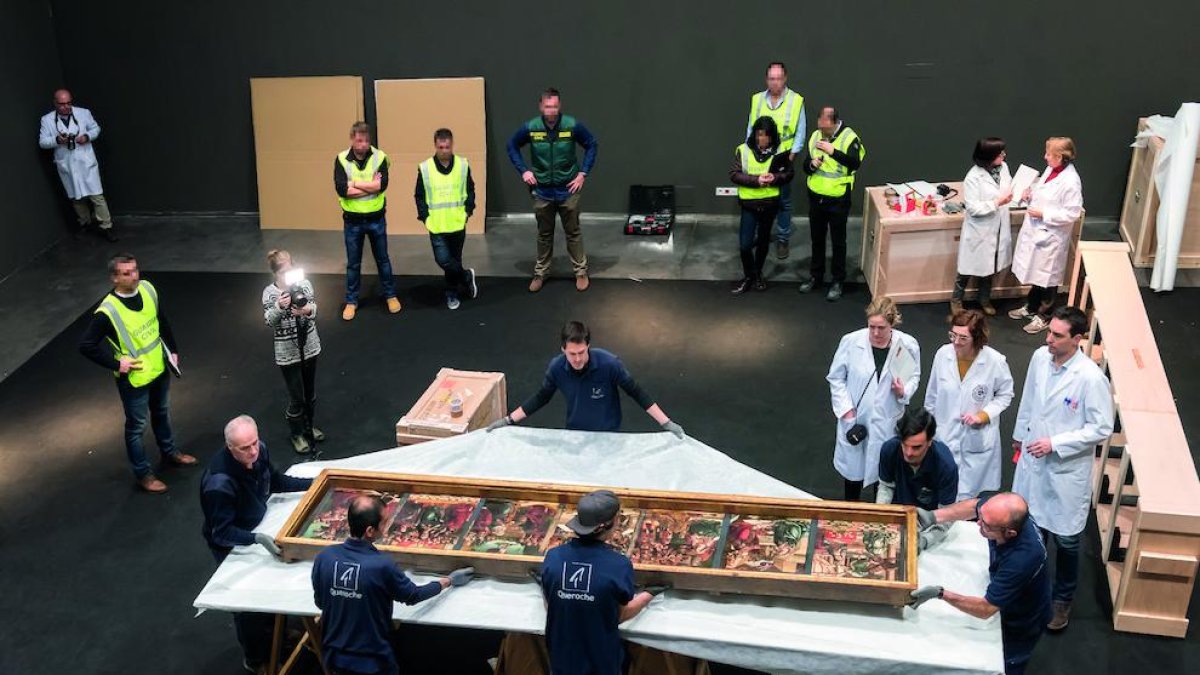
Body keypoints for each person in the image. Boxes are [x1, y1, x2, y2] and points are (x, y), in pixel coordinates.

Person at [1010, 305, 1113, 631]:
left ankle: (1062, 600)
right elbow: (1029, 399)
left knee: (1067, 542)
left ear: (1077, 339)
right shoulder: (1040, 358)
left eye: (1057, 335)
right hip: (1032, 460)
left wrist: (1055, 443)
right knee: (1032, 533)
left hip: (1065, 470)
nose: (1048, 338)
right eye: (1049, 331)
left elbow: (1101, 428)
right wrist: (1018, 434)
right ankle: (1030, 590)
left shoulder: (1090, 379)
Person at [200, 415, 314, 673]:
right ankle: (255, 658)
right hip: (232, 543)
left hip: (257, 524)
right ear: (230, 448)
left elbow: (276, 481)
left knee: (275, 587)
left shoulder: (259, 450)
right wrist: (255, 539)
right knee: (247, 605)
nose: (253, 451)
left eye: (255, 442)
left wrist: (313, 485)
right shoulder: (219, 484)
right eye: (245, 448)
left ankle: (280, 636)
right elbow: (221, 531)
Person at [312, 494, 474, 675]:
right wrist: (448, 580)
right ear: (370, 531)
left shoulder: (324, 557)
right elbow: (413, 595)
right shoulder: (381, 565)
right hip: (373, 662)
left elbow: (321, 603)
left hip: (334, 659)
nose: (389, 524)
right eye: (385, 521)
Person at [79, 253, 195, 493]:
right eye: (126, 273)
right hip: (134, 380)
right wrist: (116, 364)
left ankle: (170, 452)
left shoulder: (148, 289)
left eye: (134, 270)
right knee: (136, 427)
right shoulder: (107, 311)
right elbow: (86, 345)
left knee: (162, 413)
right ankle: (143, 474)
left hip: (159, 368)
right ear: (114, 278)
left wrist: (172, 350)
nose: (133, 276)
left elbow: (161, 320)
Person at [909, 492, 1051, 675]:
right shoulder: (1003, 512)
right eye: (981, 517)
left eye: (986, 524)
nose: (978, 523)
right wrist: (933, 516)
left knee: (1007, 663)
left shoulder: (1022, 559)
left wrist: (940, 593)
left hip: (1022, 618)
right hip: (1006, 580)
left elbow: (986, 609)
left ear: (1010, 532)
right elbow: (972, 507)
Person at [487, 321, 684, 437]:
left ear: (588, 346)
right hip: (575, 433)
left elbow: (637, 392)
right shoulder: (557, 367)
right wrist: (508, 420)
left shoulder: (609, 364)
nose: (578, 359)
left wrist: (666, 423)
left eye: (582, 352)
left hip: (609, 434)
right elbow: (541, 397)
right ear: (563, 349)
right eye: (572, 354)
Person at [541, 490, 659, 675]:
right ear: (613, 523)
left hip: (561, 660)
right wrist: (649, 594)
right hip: (601, 663)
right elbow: (619, 615)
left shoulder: (553, 556)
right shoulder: (618, 565)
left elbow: (551, 604)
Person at [826, 296, 920, 501]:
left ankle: (880, 516)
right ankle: (850, 513)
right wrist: (846, 411)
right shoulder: (851, 342)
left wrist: (904, 392)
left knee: (884, 475)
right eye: (872, 327)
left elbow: (914, 376)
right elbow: (836, 377)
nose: (876, 333)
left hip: (887, 420)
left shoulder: (907, 345)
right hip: (856, 419)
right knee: (853, 474)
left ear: (892, 324)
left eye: (882, 328)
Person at [506, 87, 599, 293]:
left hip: (568, 191)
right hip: (542, 192)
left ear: (560, 106)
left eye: (555, 106)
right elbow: (511, 145)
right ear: (541, 106)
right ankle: (541, 272)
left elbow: (592, 144)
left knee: (573, 232)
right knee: (544, 234)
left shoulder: (571, 125)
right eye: (548, 106)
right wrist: (523, 171)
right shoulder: (531, 127)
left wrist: (582, 173)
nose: (551, 110)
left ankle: (580, 272)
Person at [924, 309, 1015, 500]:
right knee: (942, 491)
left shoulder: (995, 361)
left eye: (963, 338)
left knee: (967, 497)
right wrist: (928, 430)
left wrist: (983, 415)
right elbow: (932, 395)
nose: (956, 342)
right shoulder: (943, 354)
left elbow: (1006, 395)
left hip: (975, 437)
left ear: (977, 338)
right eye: (953, 335)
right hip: (945, 433)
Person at [1009, 137, 1083, 334]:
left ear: (1059, 157)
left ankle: (1045, 315)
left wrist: (1044, 214)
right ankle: (1032, 306)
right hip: (1038, 231)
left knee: (1048, 279)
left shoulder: (1071, 182)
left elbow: (1072, 213)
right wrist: (1030, 192)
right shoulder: (1052, 170)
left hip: (1051, 235)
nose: (1045, 157)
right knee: (1036, 274)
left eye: (1049, 154)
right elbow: (1044, 191)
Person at [334, 121, 401, 321]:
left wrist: (353, 183)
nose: (363, 144)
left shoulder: (380, 158)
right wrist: (368, 184)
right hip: (352, 221)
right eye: (359, 140)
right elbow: (341, 189)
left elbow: (382, 186)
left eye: (366, 140)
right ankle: (351, 301)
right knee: (353, 264)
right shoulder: (341, 159)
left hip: (376, 219)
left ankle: (390, 295)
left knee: (383, 260)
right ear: (352, 140)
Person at [798, 106, 866, 302]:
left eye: (824, 125)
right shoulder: (815, 136)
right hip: (816, 197)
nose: (821, 128)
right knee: (817, 239)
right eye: (819, 123)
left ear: (834, 122)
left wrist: (833, 151)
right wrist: (811, 165)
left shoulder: (849, 137)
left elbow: (854, 163)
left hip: (838, 199)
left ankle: (838, 281)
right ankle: (815, 276)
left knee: (838, 242)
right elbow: (805, 165)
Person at [262, 250, 325, 454]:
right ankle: (297, 433)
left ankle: (309, 427)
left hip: (309, 346)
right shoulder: (269, 293)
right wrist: (280, 307)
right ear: (276, 273)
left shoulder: (304, 284)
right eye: (285, 271)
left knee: (310, 394)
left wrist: (307, 310)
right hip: (287, 353)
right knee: (297, 396)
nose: (289, 273)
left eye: (291, 267)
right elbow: (269, 320)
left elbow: (314, 308)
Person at [38, 89, 117, 242]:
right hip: (66, 163)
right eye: (62, 104)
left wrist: (87, 136)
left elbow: (96, 129)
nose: (66, 107)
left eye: (69, 103)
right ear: (55, 103)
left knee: (97, 196)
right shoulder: (46, 120)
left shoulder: (83, 113)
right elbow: (43, 142)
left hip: (85, 161)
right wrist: (58, 140)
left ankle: (106, 227)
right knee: (76, 198)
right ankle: (85, 223)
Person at [746, 62, 806, 260]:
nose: (775, 82)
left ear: (785, 78)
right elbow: (750, 128)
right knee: (757, 197)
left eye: (779, 78)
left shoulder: (796, 100)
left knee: (783, 201)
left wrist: (791, 156)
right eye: (772, 78)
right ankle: (757, 234)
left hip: (782, 157)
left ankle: (782, 238)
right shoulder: (756, 99)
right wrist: (749, 153)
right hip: (758, 157)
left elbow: (800, 132)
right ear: (766, 79)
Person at [414, 127, 478, 310]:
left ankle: (451, 293)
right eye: (441, 147)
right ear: (435, 145)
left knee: (454, 260)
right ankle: (466, 277)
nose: (444, 151)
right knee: (443, 260)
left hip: (458, 222)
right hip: (436, 224)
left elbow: (471, 189)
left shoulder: (463, 165)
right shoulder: (425, 168)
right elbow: (419, 195)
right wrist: (425, 217)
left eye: (447, 147)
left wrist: (468, 210)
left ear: (452, 145)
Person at [728, 116, 794, 293]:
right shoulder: (743, 150)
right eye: (759, 134)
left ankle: (757, 275)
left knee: (764, 242)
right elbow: (734, 174)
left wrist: (775, 178)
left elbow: (789, 174)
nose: (762, 139)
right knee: (745, 245)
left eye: (765, 135)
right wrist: (756, 180)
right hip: (749, 204)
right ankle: (748, 275)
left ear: (772, 136)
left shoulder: (780, 152)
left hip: (769, 204)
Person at [876, 408, 958, 550]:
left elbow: (947, 515)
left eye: (916, 447)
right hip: (896, 517)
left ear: (930, 441)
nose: (908, 453)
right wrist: (881, 519)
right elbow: (886, 487)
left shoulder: (945, 466)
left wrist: (923, 541)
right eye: (904, 445)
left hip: (928, 527)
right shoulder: (889, 449)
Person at [954, 138, 1013, 316]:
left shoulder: (1004, 168)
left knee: (989, 267)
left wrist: (1019, 194)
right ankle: (957, 300)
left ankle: (984, 299)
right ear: (989, 156)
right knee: (966, 269)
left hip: (998, 227)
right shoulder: (973, 177)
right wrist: (997, 202)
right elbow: (973, 208)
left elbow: (1009, 189)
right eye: (1000, 153)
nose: (1004, 155)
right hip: (979, 230)